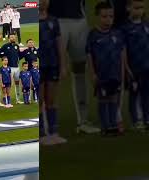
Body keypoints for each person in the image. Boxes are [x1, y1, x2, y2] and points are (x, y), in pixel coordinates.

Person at [48, 0, 100, 134]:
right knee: (51, 71)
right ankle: (46, 122)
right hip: (56, 19)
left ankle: (82, 120)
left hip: (79, 20)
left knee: (80, 68)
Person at [86, 2, 125, 136]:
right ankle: (105, 126)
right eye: (104, 16)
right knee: (103, 99)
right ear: (97, 16)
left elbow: (121, 55)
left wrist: (122, 73)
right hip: (101, 74)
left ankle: (113, 124)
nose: (108, 19)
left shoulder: (117, 34)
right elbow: (90, 56)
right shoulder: (93, 35)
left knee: (114, 99)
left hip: (114, 74)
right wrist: (92, 73)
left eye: (111, 16)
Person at [40, 0, 67, 145]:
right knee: (39, 100)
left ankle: (54, 132)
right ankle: (41, 134)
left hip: (52, 64)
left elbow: (59, 43)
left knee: (51, 100)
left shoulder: (53, 21)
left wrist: (62, 65)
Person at [121, 0, 149, 130]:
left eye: (141, 8)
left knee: (146, 93)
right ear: (128, 8)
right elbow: (123, 49)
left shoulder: (147, 25)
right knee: (134, 94)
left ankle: (147, 118)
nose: (139, 10)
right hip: (133, 68)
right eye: (136, 8)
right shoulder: (125, 28)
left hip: (147, 66)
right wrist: (126, 67)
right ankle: (136, 120)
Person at [0, 34, 23, 104]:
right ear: (9, 38)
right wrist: (4, 57)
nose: (13, 38)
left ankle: (18, 99)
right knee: (8, 84)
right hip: (9, 69)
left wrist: (17, 60)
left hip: (17, 67)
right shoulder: (5, 46)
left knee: (17, 83)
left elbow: (19, 55)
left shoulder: (16, 46)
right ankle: (5, 99)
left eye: (14, 37)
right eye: (12, 37)